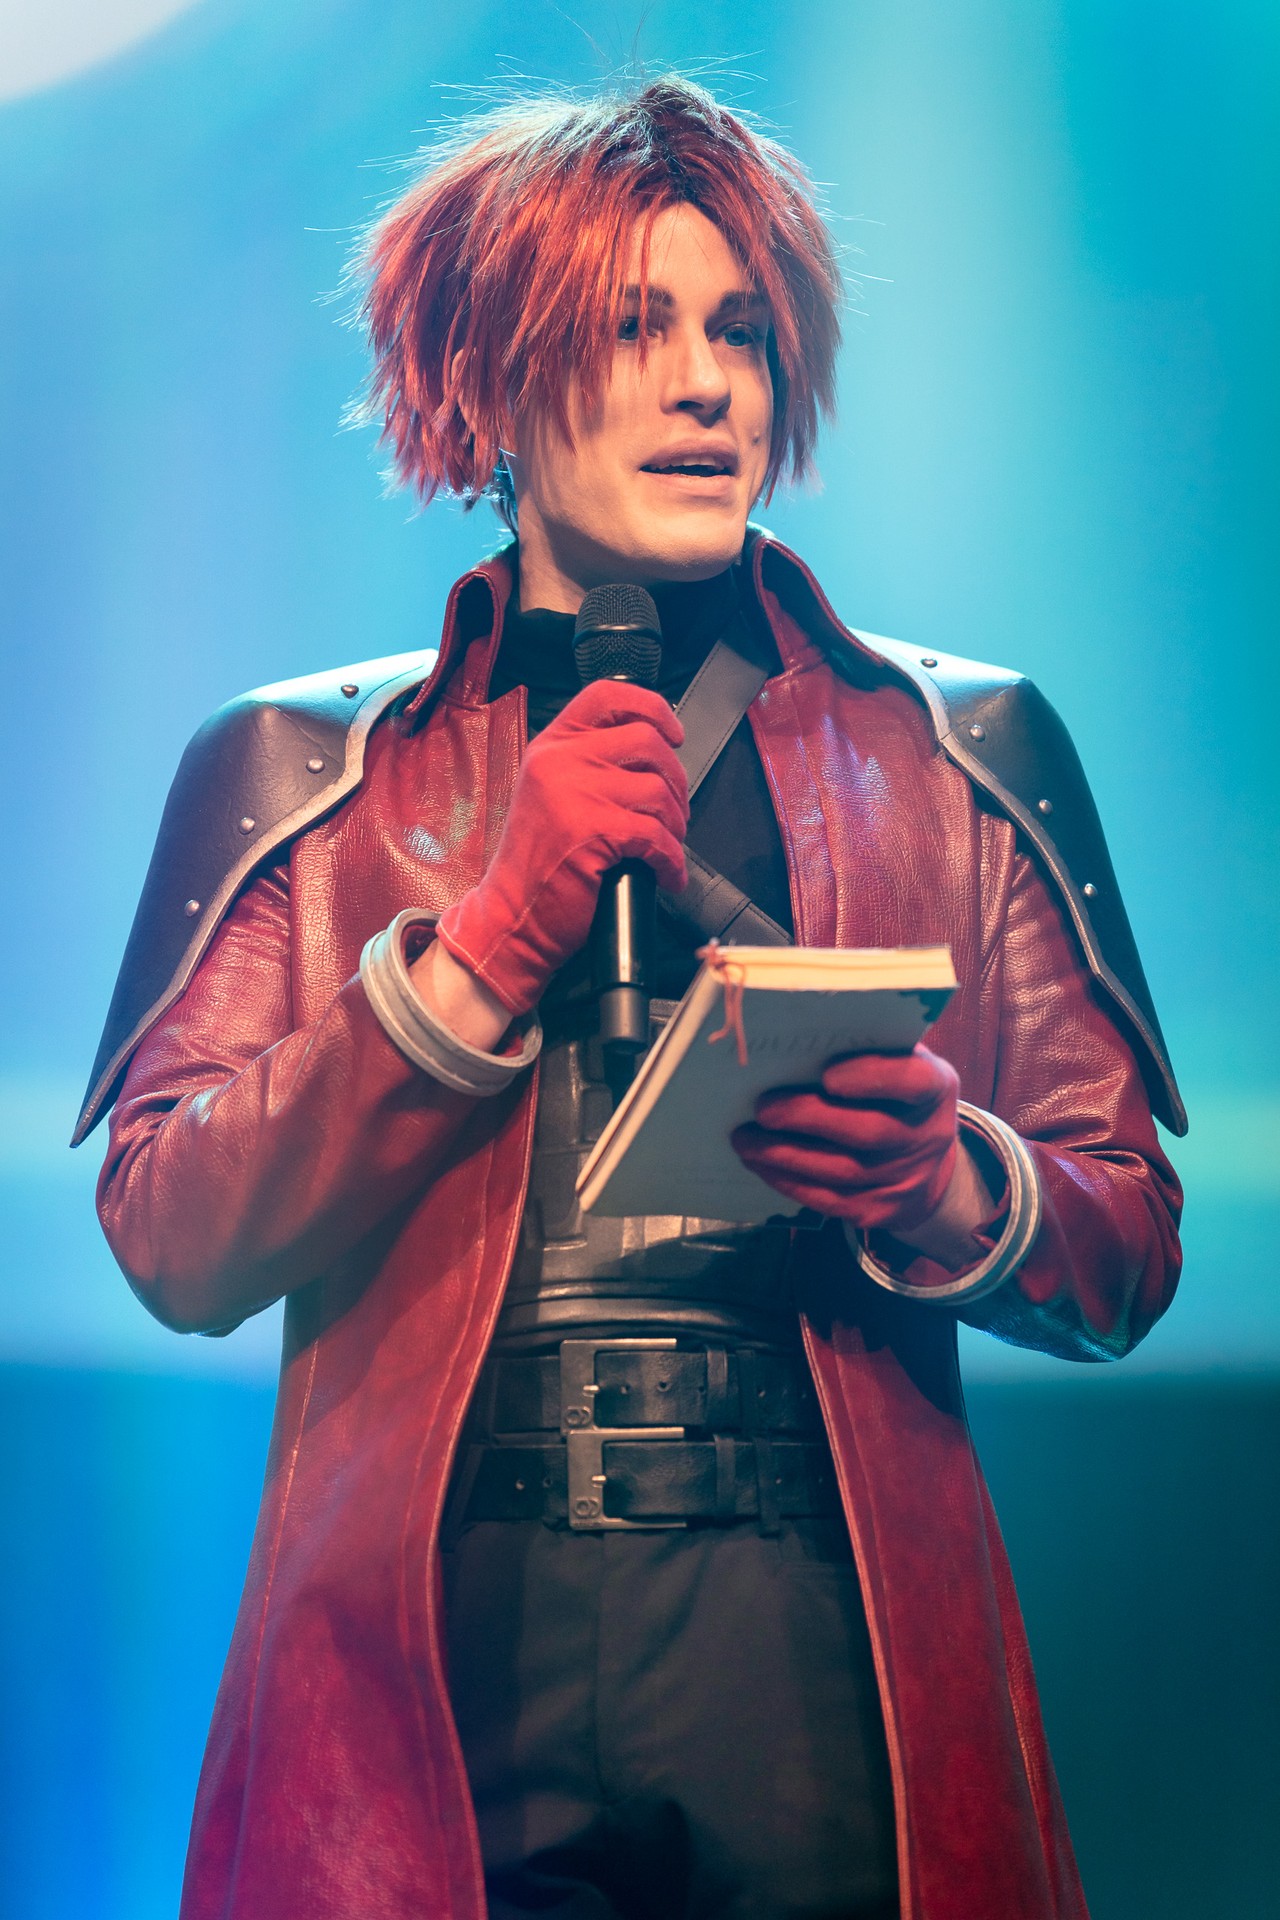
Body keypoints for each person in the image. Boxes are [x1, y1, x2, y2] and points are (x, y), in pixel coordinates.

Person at [76, 78, 1184, 1920]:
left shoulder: (957, 753)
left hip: (815, 1644)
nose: (704, 387)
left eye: (738, 332)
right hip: (444, 1653)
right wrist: (486, 947)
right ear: (487, 383)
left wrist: (948, 1183)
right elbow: (172, 1237)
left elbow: (1129, 1238)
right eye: (630, 328)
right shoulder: (302, 773)